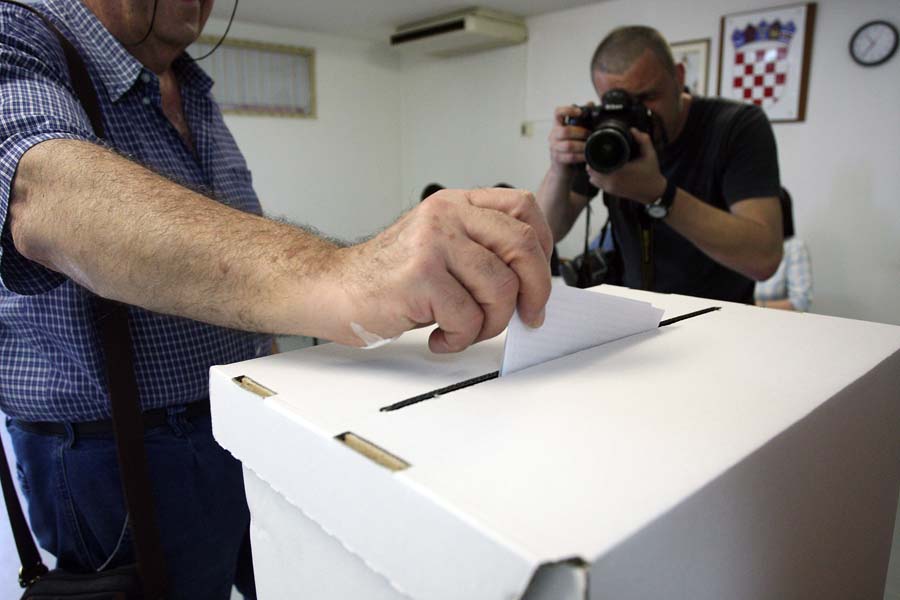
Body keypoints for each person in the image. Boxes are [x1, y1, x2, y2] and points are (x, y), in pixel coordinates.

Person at [0, 1, 552, 597]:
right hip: (117, 455)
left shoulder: (191, 84)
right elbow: (43, 195)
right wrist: (348, 274)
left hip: (242, 413)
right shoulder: (22, 30)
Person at [537, 25, 784, 303]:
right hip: (636, 316)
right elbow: (546, 233)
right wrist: (560, 165)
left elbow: (764, 258)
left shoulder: (737, 126)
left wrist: (658, 195)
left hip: (720, 319)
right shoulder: (606, 135)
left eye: (648, 98)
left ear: (679, 77)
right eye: (622, 102)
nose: (641, 114)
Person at [755, 188, 812, 311]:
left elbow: (801, 301)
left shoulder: (794, 247)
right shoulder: (740, 245)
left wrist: (754, 306)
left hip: (779, 323)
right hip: (738, 318)